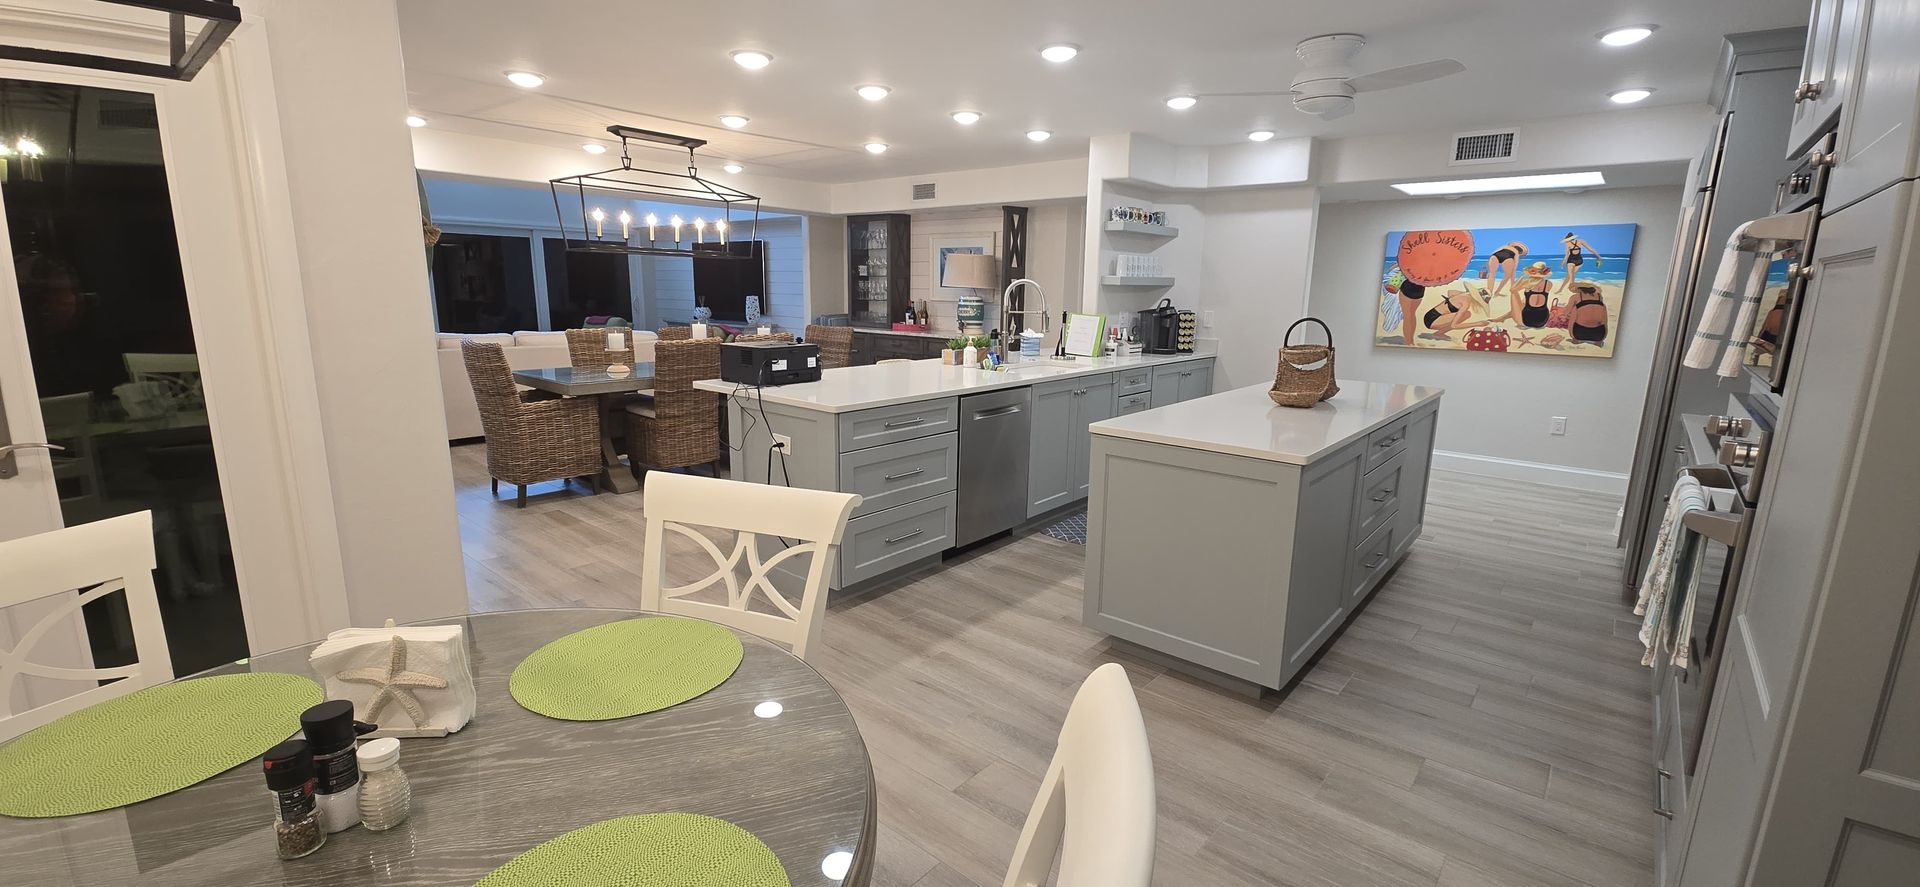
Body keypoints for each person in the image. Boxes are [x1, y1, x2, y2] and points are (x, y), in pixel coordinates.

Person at [1421, 282, 1489, 339]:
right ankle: (1439, 333)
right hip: (1433, 321)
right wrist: (1478, 324)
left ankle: (1439, 333)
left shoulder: (1461, 294)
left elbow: (1450, 292)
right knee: (1465, 315)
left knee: (1466, 314)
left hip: (1429, 315)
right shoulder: (1466, 304)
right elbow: (1454, 326)